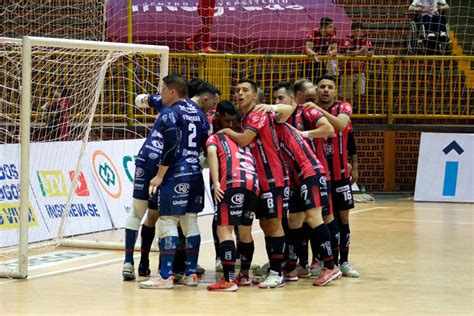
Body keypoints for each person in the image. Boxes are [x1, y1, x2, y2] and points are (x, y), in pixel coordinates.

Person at [218, 79, 292, 289]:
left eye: (245, 91)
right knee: (264, 224)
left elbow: (243, 139)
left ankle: (278, 272)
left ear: (254, 96)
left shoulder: (259, 113)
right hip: (257, 180)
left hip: (273, 177)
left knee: (274, 223)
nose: (239, 94)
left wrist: (226, 132)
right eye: (237, 90)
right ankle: (272, 269)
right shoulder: (246, 118)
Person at [138, 74, 210, 289]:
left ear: (172, 91)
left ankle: (165, 276)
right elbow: (207, 140)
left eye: (162, 90)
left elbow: (170, 145)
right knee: (191, 222)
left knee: (168, 221)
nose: (160, 94)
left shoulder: (169, 113)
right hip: (195, 173)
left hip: (175, 174)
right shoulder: (199, 112)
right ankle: (190, 274)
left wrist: (160, 175)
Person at [272, 82, 342, 286]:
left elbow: (329, 129)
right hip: (294, 178)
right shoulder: (276, 119)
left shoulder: (304, 111)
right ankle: (292, 267)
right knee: (294, 220)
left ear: (293, 98)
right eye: (274, 98)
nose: (276, 103)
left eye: (281, 98)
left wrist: (304, 134)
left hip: (310, 171)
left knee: (315, 217)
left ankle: (331, 266)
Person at [308, 75, 359, 277]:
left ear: (335, 91)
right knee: (318, 219)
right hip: (319, 174)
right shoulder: (307, 111)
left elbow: (342, 128)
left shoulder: (343, 107)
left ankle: (344, 261)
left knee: (343, 218)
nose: (326, 90)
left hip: (340, 174)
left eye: (330, 87)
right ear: (316, 90)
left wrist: (354, 167)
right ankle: (320, 259)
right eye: (322, 87)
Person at [206, 107, 260, 292]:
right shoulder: (243, 138)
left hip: (232, 183)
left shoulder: (216, 137)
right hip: (253, 185)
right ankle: (243, 275)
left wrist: (216, 183)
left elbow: (212, 154)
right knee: (245, 232)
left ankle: (228, 280)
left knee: (224, 230)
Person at [339, 22, 374, 103]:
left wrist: (366, 52)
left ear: (362, 31)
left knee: (361, 93)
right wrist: (361, 51)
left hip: (360, 71)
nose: (356, 33)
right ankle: (347, 109)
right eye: (354, 31)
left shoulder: (366, 39)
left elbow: (371, 53)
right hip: (347, 71)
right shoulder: (347, 39)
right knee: (346, 95)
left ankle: (356, 110)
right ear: (351, 31)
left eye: (358, 31)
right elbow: (346, 52)